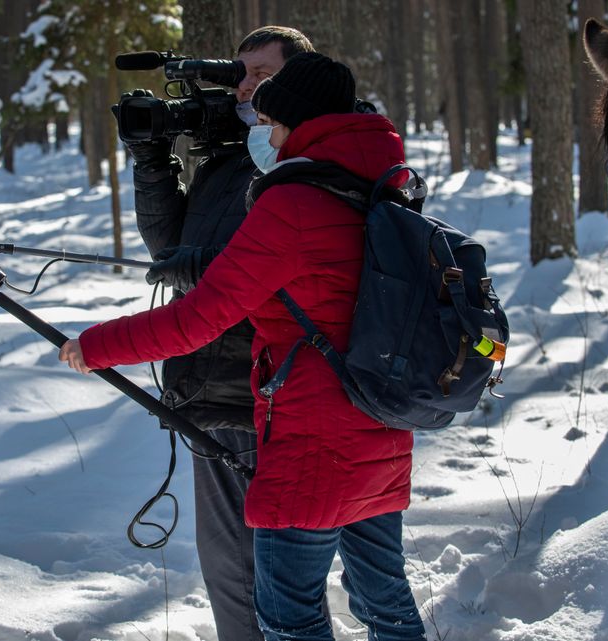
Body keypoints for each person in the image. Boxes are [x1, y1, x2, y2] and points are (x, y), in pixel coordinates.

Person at [64, 52, 426, 641]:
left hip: (312, 440)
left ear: (300, 125)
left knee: (287, 614)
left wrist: (95, 345)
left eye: (274, 126)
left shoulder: (294, 204)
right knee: (384, 597)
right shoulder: (386, 185)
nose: (267, 138)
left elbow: (196, 320)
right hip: (380, 425)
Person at [122, 26, 313, 641]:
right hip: (209, 388)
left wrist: (205, 270)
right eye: (243, 72)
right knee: (227, 567)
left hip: (268, 392)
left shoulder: (303, 163)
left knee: (264, 567)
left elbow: (282, 267)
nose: (249, 83)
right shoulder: (231, 160)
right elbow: (169, 248)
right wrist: (151, 162)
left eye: (265, 72)